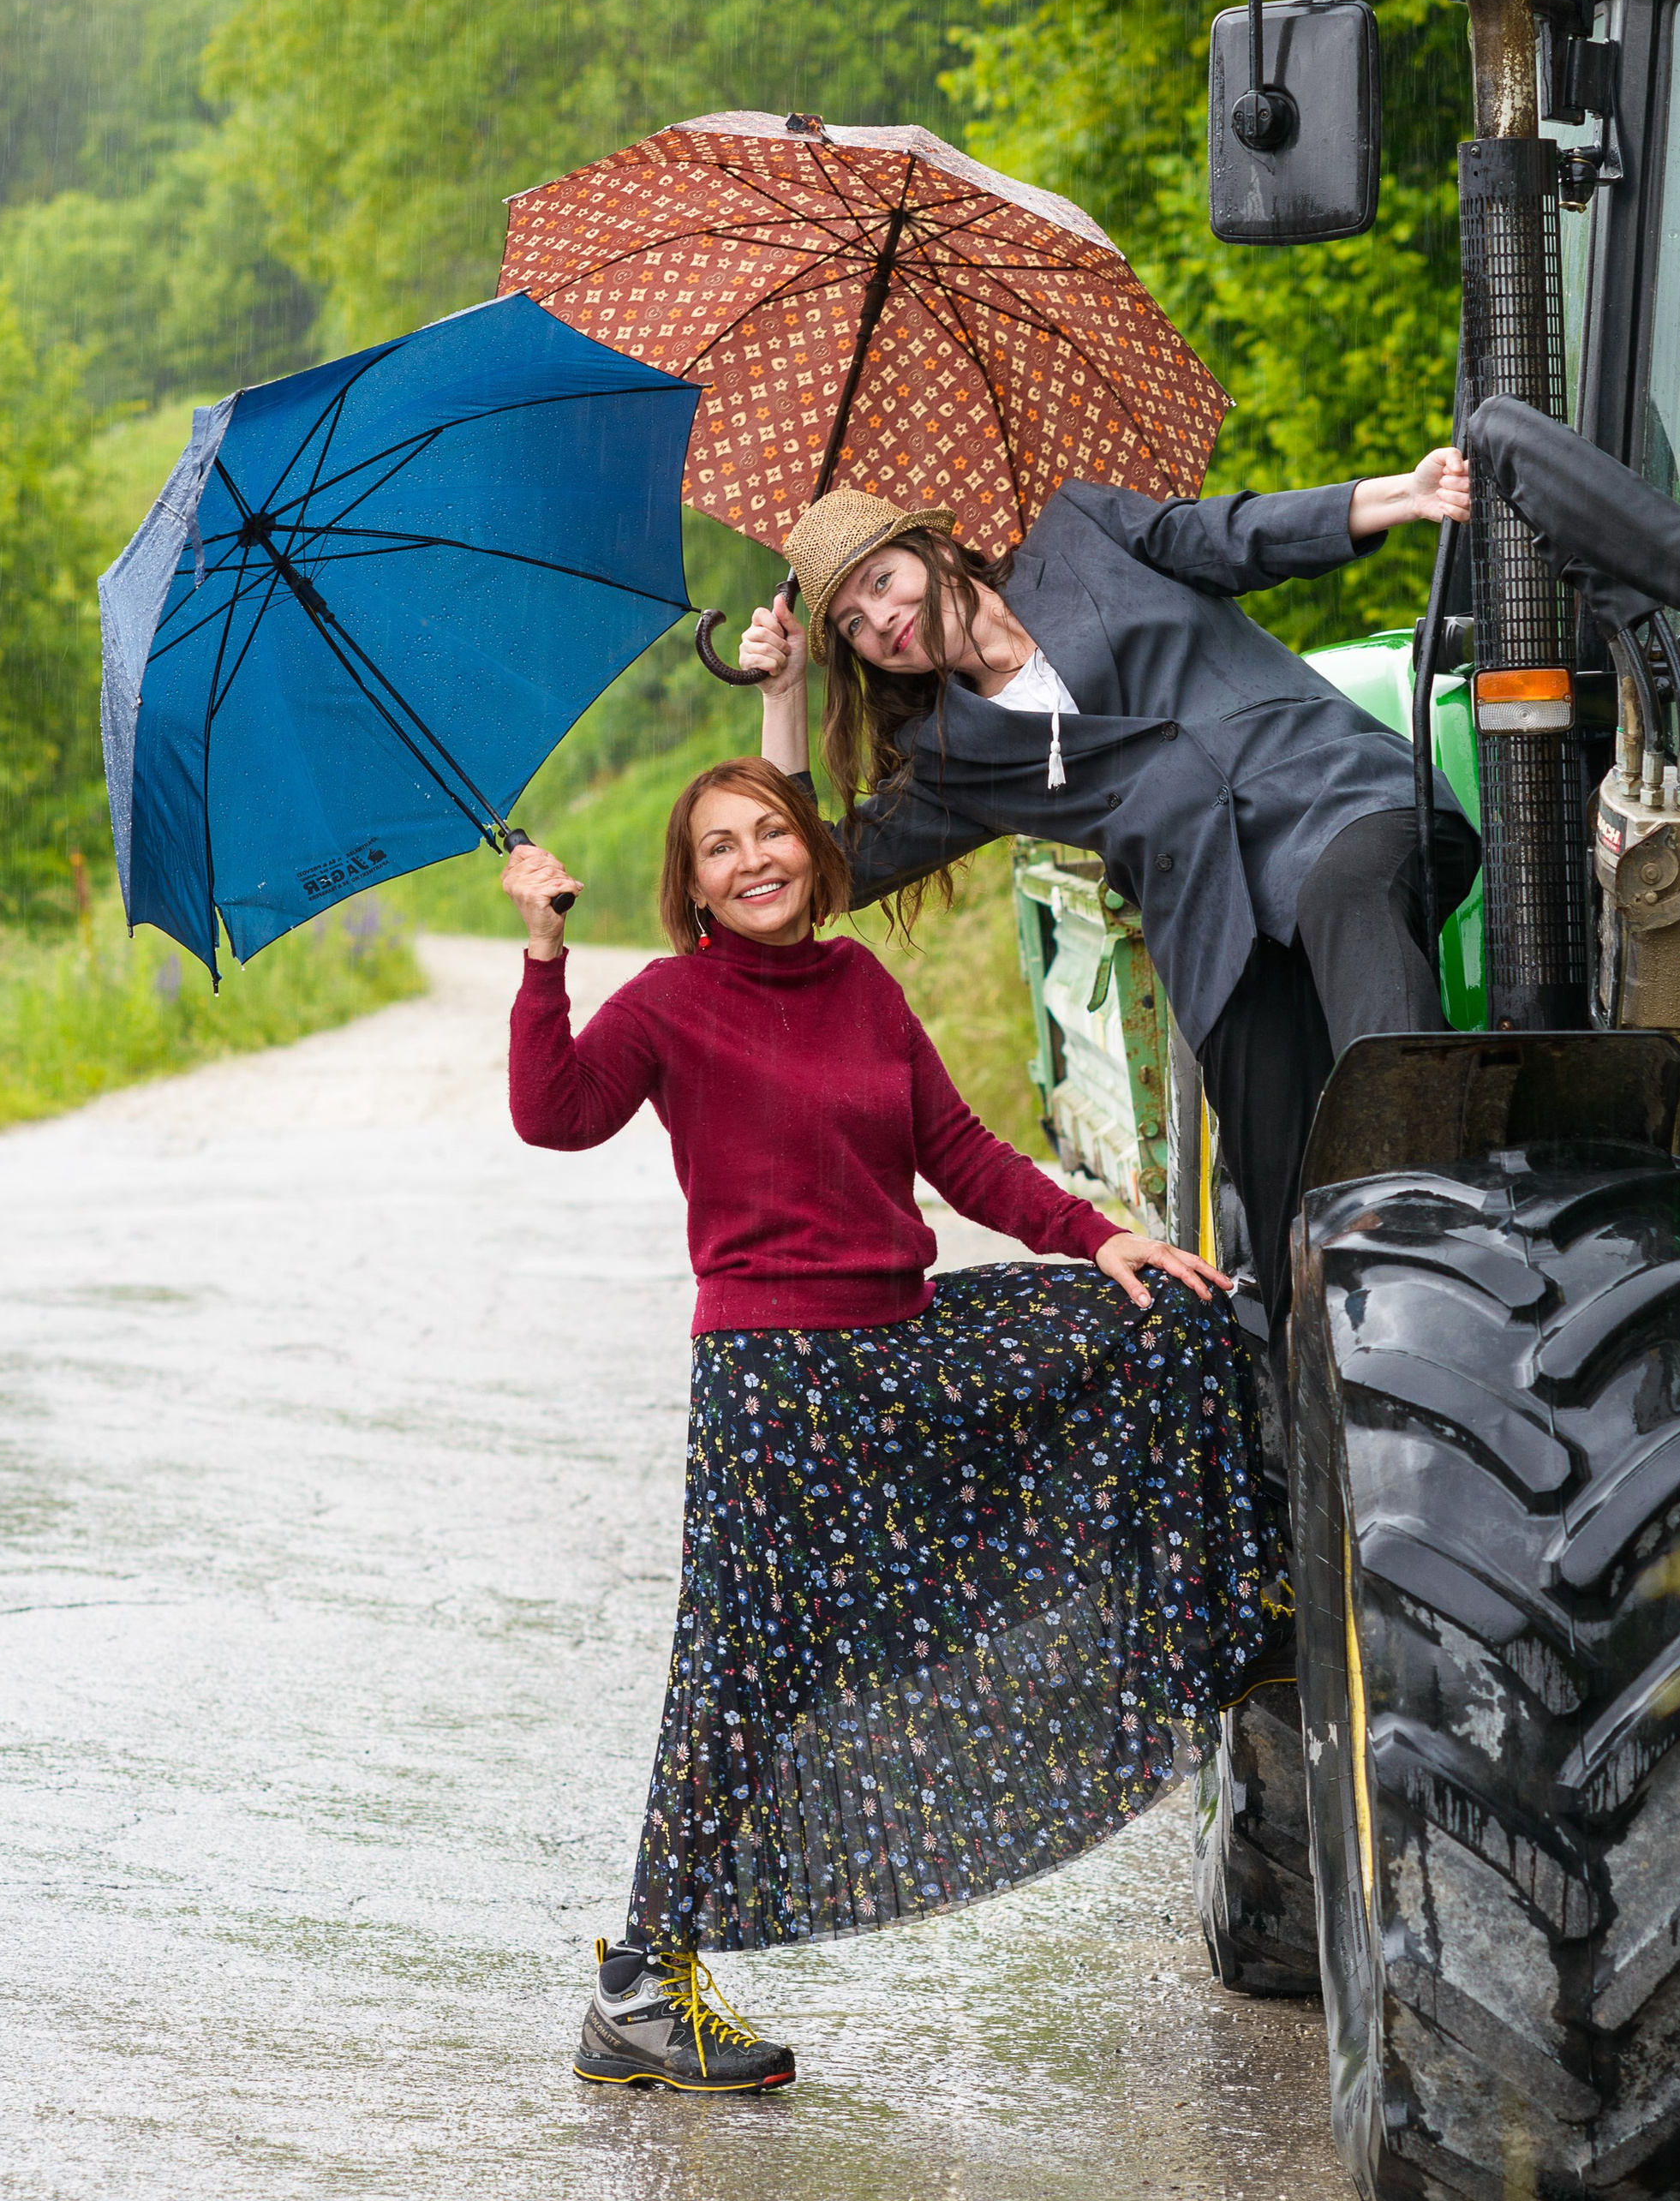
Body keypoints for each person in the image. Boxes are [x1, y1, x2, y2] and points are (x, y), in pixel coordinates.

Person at [501, 757, 1270, 2100]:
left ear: (810, 849)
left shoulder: (860, 984)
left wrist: (1097, 1234)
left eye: (772, 831)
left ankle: (1231, 1623)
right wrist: (544, 949)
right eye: (721, 846)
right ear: (692, 887)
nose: (754, 857)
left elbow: (957, 1150)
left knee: (1163, 1314)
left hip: (899, 1347)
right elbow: (554, 1113)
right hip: (771, 1384)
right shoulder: (670, 1001)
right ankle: (637, 1989)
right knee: (742, 1673)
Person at [739, 457, 1477, 1338]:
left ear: (931, 546)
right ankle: (1304, 1379)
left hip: (1333, 800)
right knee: (1276, 1190)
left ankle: (1417, 1225)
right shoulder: (951, 753)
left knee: (1344, 896)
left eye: (881, 580)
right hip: (1215, 925)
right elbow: (818, 873)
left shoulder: (1082, 534)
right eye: (853, 624)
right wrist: (782, 697)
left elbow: (1231, 534)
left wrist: (1401, 496)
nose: (882, 619)